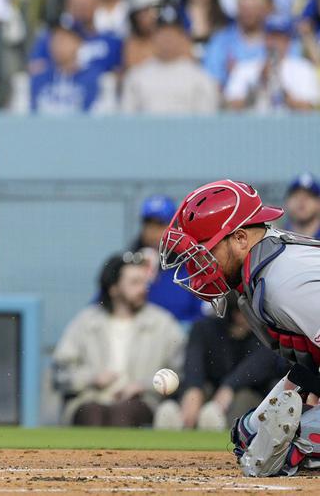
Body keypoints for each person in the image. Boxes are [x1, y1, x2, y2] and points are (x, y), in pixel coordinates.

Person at [159, 179, 320, 477]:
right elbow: (309, 364)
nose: (197, 270)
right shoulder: (258, 277)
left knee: (297, 443)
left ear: (241, 239)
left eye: (204, 253)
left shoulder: (283, 283)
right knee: (251, 435)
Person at [52, 251, 185, 427]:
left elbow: (181, 372)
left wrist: (144, 386)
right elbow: (60, 372)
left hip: (141, 401)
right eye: (134, 283)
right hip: (90, 398)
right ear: (114, 289)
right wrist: (92, 378)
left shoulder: (163, 324)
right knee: (92, 413)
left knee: (123, 413)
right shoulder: (86, 322)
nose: (143, 288)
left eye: (144, 282)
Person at [167, 307, 284, 431]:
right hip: (211, 389)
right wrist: (193, 387)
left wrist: (230, 386)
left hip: (254, 392)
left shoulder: (268, 331)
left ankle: (230, 435)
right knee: (195, 395)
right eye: (239, 312)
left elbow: (262, 362)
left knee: (242, 398)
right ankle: (178, 423)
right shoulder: (206, 327)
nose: (243, 318)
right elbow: (194, 359)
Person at [120, 6, 219, 114]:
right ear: (153, 37)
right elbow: (127, 120)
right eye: (162, 33)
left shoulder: (200, 78)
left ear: (183, 37)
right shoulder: (136, 77)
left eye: (173, 33)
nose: (167, 39)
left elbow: (206, 123)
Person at [224, 15, 319, 112]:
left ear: (288, 41)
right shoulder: (244, 68)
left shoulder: (304, 69)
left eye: (280, 38)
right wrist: (259, 81)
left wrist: (281, 89)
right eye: (271, 37)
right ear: (264, 39)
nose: (275, 43)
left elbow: (310, 108)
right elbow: (230, 106)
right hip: (253, 125)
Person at [133, 195, 204, 324]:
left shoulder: (192, 268)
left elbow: (203, 318)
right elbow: (102, 306)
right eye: (148, 224)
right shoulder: (128, 266)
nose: (153, 231)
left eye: (160, 224)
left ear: (175, 228)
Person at [283, 173, 320, 238]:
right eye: (296, 196)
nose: (301, 201)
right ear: (287, 202)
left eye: (308, 196)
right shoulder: (275, 240)